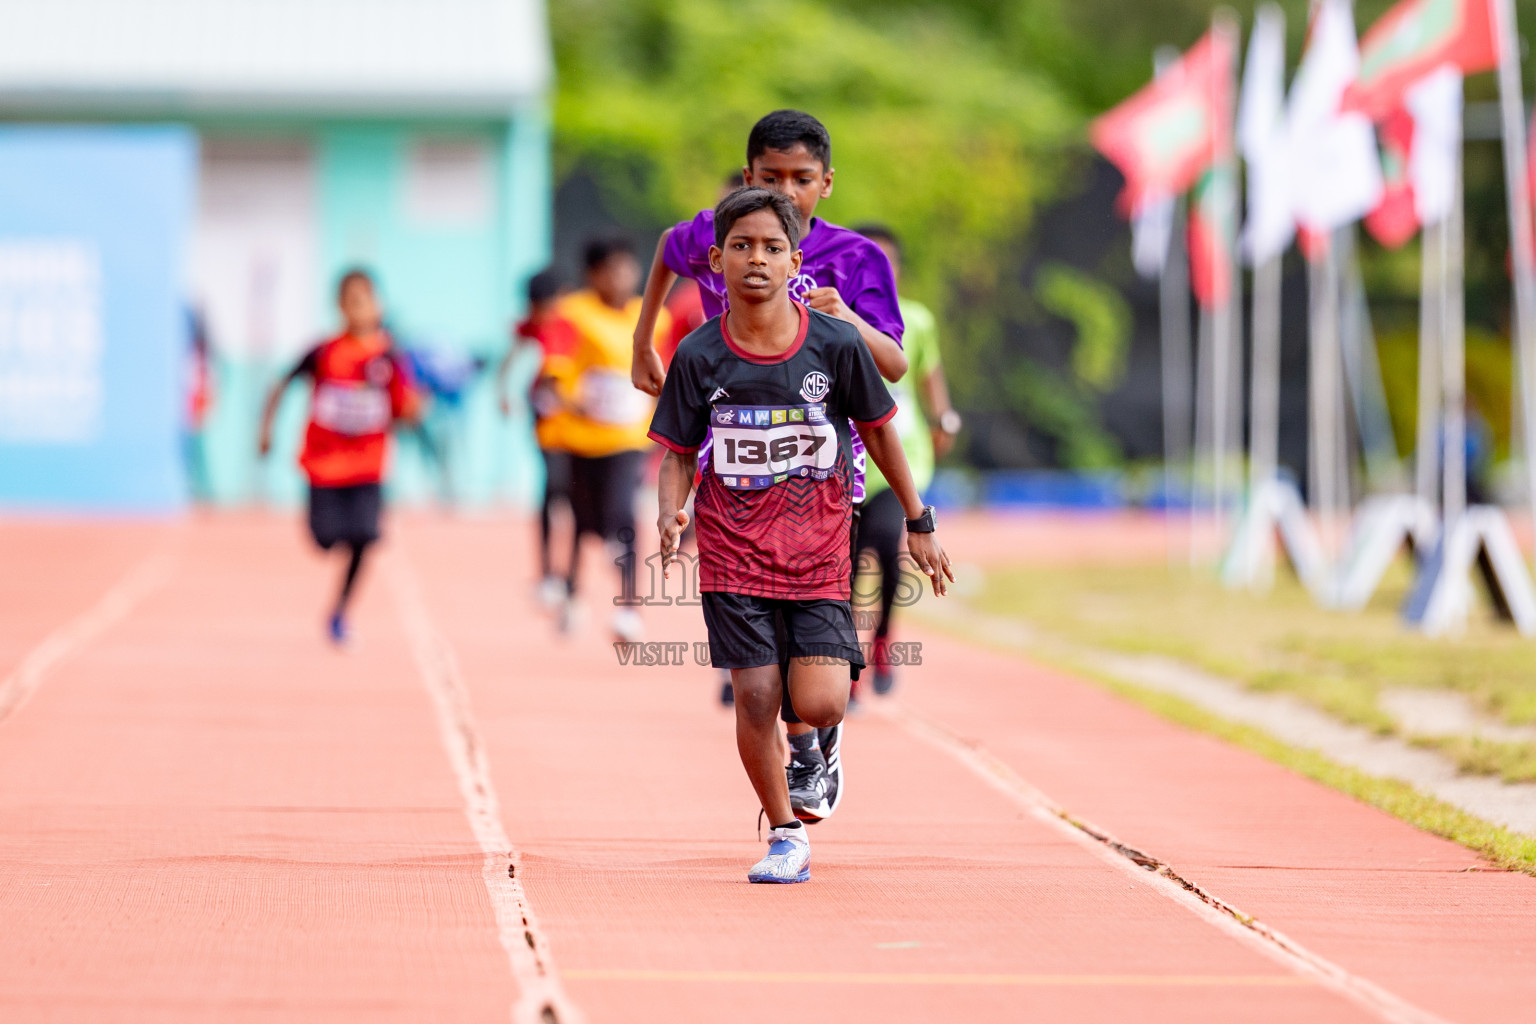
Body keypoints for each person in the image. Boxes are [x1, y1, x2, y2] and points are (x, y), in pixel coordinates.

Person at [649, 188, 952, 883]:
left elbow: (880, 435)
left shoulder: (836, 344)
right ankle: (786, 832)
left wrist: (919, 521)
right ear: (718, 260)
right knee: (754, 693)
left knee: (819, 700)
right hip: (731, 551)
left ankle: (816, 741)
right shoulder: (699, 355)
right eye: (743, 247)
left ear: (796, 260)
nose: (758, 259)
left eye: (773, 247)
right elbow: (674, 449)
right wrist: (673, 511)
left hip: (818, 549)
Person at [631, 110, 907, 814]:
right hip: (736, 485)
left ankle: (814, 734)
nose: (789, 189)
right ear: (748, 177)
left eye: (803, 179)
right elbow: (668, 244)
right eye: (772, 176)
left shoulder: (855, 260)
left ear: (827, 183)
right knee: (762, 669)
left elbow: (896, 366)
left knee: (810, 665)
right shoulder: (730, 230)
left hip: (824, 481)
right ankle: (796, 762)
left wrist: (847, 318)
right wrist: (643, 341)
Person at [258, 269, 421, 644]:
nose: (361, 308)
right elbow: (282, 384)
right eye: (352, 301)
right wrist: (267, 430)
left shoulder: (390, 356)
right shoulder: (324, 351)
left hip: (367, 466)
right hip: (325, 466)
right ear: (340, 307)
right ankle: (332, 538)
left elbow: (404, 407)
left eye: (367, 299)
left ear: (379, 304)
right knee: (325, 539)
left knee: (366, 536)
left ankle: (340, 611)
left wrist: (414, 410)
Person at [850, 225, 963, 695]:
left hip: (902, 453)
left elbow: (928, 377)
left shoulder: (915, 320)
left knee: (883, 547)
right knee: (849, 563)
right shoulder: (832, 317)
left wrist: (944, 420)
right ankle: (846, 664)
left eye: (887, 263)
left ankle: (881, 642)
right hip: (849, 456)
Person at [559, 235, 671, 640]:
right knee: (583, 521)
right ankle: (571, 592)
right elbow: (559, 362)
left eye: (626, 267)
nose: (620, 277)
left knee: (623, 514)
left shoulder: (653, 315)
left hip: (628, 438)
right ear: (592, 275)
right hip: (582, 437)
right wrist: (567, 395)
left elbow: (668, 366)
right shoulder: (572, 314)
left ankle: (629, 607)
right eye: (609, 269)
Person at [499, 268, 579, 609]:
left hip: (577, 415)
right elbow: (512, 356)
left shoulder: (576, 321)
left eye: (545, 307)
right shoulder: (530, 324)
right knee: (553, 489)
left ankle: (571, 579)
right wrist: (502, 389)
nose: (541, 315)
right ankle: (547, 572)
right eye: (535, 309)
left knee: (575, 496)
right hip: (546, 415)